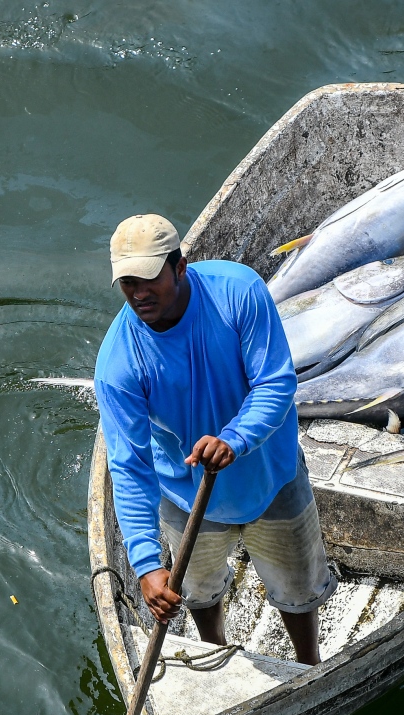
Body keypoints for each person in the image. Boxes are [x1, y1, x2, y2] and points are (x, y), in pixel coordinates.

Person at [94, 214, 336, 665]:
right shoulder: (118, 364)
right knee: (197, 592)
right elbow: (129, 467)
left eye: (149, 279)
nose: (139, 293)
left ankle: (309, 663)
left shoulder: (237, 291)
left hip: (271, 477)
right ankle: (213, 652)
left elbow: (276, 383)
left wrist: (235, 439)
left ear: (180, 267)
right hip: (187, 496)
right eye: (127, 282)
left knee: (299, 590)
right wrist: (146, 564)